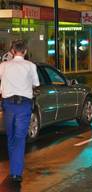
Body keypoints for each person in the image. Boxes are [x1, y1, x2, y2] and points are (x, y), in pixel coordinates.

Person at [0, 40, 40, 182]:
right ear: (25, 52)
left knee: (10, 137)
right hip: (24, 105)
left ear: (12, 51)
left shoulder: (3, 66)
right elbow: (36, 83)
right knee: (19, 137)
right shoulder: (30, 66)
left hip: (8, 105)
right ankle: (16, 173)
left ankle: (14, 170)